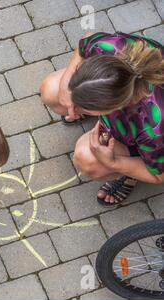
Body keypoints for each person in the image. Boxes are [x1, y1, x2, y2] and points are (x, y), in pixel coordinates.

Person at [40, 32, 164, 206]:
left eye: (83, 107)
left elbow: (159, 174)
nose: (71, 109)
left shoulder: (153, 126)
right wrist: (65, 88)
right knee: (50, 89)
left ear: (111, 109)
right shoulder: (108, 49)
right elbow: (85, 44)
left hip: (150, 140)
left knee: (87, 159)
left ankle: (129, 174)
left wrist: (114, 163)